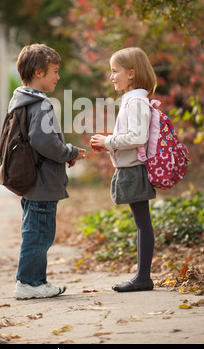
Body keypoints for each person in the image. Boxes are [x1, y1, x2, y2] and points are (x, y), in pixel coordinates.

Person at [10, 43, 86, 299]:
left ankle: (36, 281)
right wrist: (69, 152)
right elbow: (44, 142)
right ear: (39, 72)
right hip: (42, 182)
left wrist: (63, 154)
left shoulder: (22, 100)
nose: (58, 76)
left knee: (36, 232)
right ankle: (28, 283)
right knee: (39, 235)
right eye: (54, 70)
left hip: (34, 180)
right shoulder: (40, 104)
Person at [90, 47, 157, 292]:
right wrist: (107, 144)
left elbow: (137, 137)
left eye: (114, 71)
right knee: (142, 223)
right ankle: (142, 276)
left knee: (143, 223)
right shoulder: (132, 100)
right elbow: (130, 137)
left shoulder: (137, 102)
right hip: (130, 168)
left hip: (134, 170)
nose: (111, 77)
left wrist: (108, 142)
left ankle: (143, 278)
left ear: (131, 74)